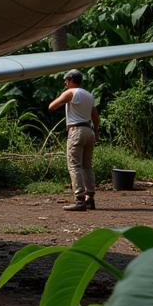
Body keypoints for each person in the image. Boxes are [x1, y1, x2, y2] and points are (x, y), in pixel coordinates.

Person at [48, 69, 99, 212]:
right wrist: (96, 131)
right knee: (87, 166)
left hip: (76, 131)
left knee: (74, 166)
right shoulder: (89, 95)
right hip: (88, 131)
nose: (65, 83)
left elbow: (52, 106)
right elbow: (95, 116)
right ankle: (90, 198)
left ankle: (79, 200)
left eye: (65, 80)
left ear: (70, 79)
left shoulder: (70, 92)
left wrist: (63, 98)